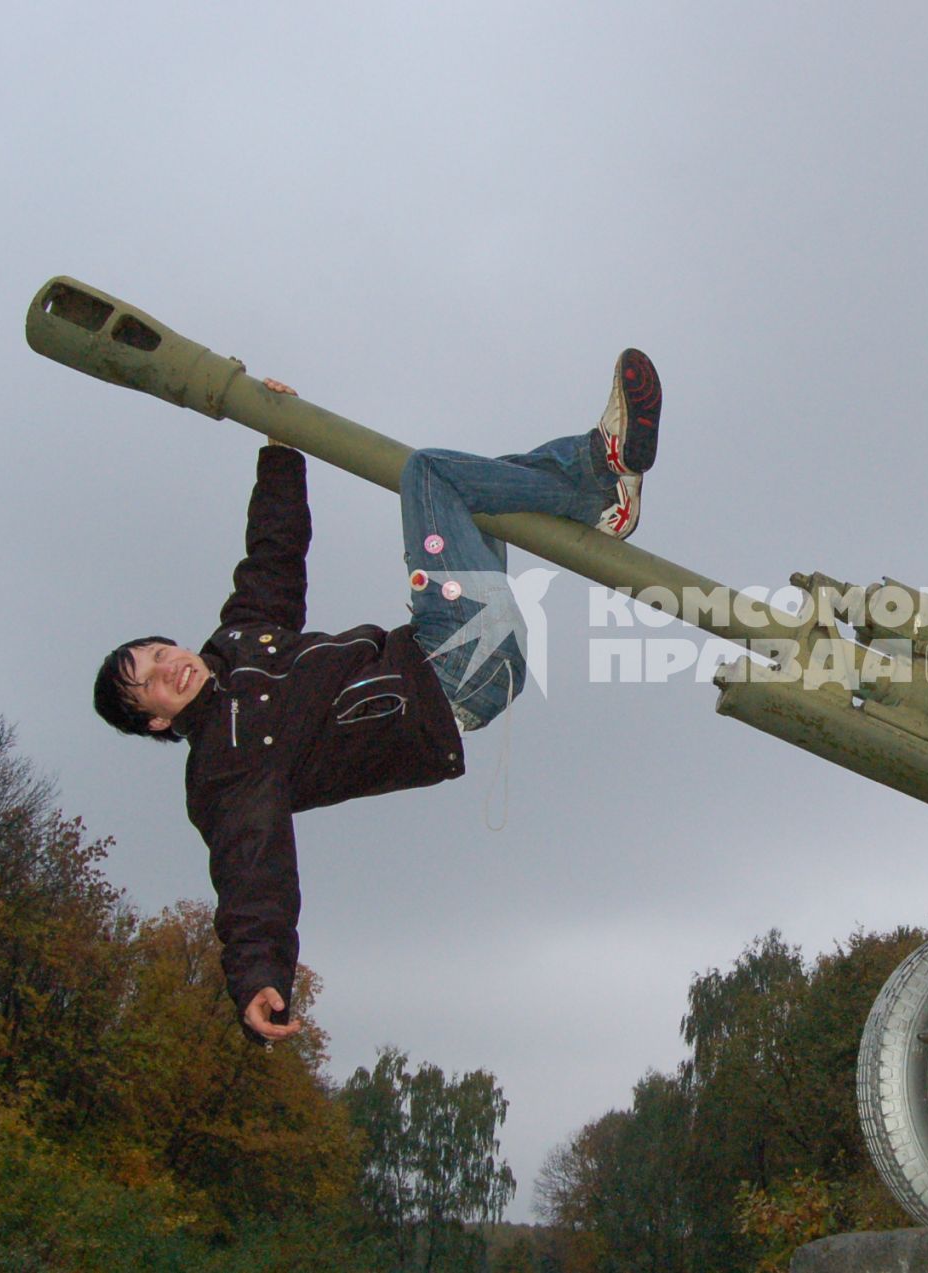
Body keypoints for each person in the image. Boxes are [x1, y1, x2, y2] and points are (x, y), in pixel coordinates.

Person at [92, 351, 662, 1041]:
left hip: (443, 645)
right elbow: (251, 872)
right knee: (429, 474)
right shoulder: (224, 765)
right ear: (155, 718)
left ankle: (599, 490)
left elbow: (272, 555)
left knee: (477, 493)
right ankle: (596, 477)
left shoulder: (242, 640)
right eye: (149, 682)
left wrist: (280, 443)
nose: (166, 668)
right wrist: (259, 976)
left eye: (158, 652)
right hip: (452, 668)